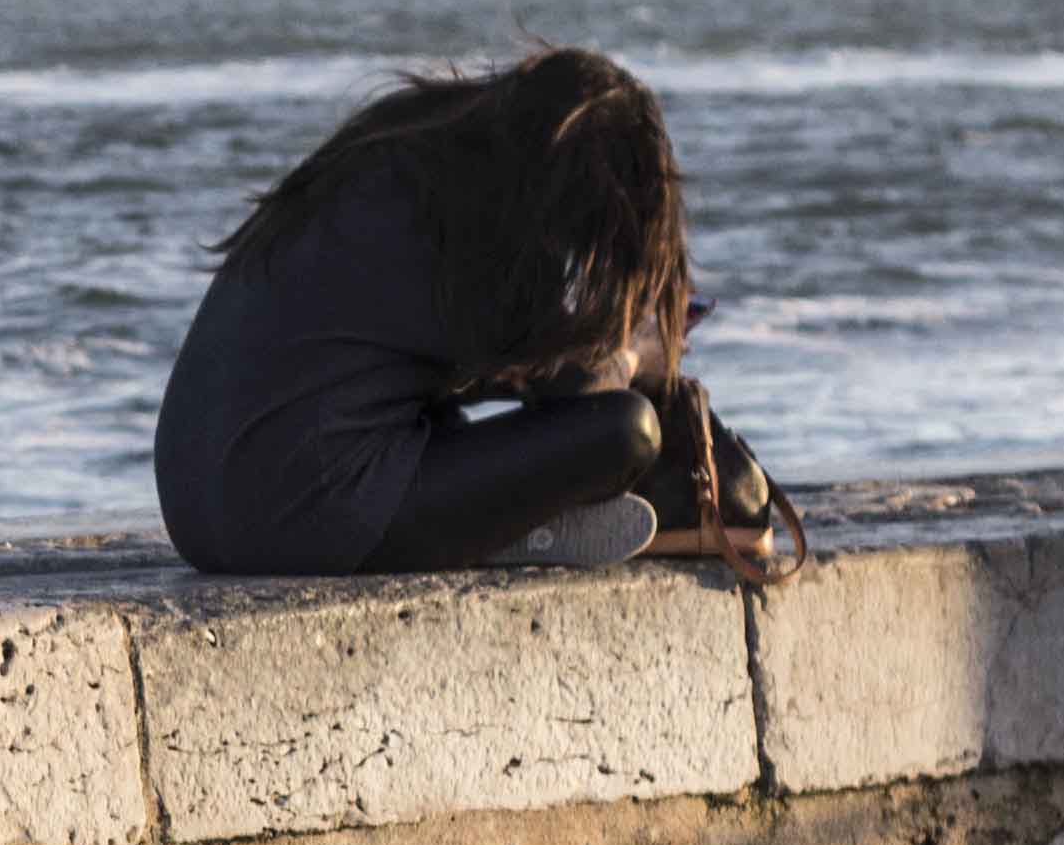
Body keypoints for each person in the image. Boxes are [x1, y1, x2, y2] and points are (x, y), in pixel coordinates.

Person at [152, 46, 772, 578]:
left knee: (448, 413)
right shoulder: (472, 228)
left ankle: (486, 526)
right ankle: (514, 535)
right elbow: (578, 393)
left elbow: (492, 362)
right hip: (306, 516)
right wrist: (637, 351)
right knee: (626, 429)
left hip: (199, 510)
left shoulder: (408, 150)